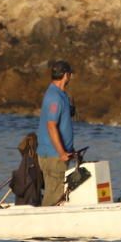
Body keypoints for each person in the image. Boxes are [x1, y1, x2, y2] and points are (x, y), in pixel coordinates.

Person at [36, 59, 75, 206]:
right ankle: (43, 227)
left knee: (56, 194)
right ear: (66, 75)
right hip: (53, 156)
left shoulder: (60, 94)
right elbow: (51, 126)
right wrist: (62, 153)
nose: (70, 77)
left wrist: (70, 149)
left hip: (57, 154)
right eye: (70, 74)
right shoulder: (54, 97)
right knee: (53, 197)